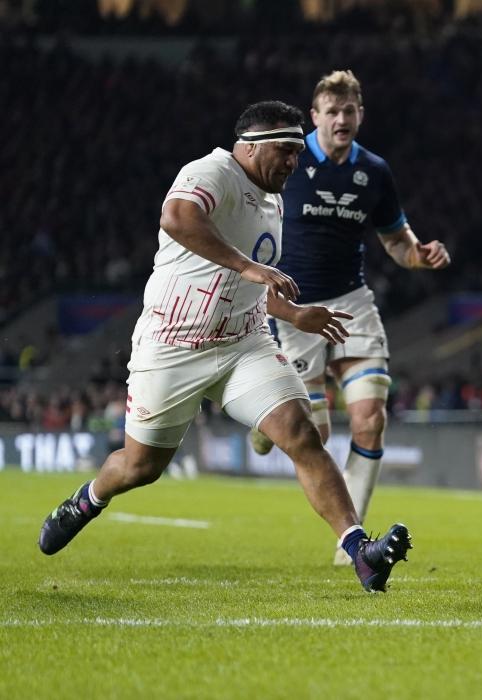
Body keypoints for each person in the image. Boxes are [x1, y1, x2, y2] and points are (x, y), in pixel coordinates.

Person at [37, 101, 411, 593]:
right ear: (251, 147)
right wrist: (249, 267)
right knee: (140, 467)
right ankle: (87, 500)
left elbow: (252, 286)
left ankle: (360, 551)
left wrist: (295, 314)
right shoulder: (212, 171)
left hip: (242, 344)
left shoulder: (273, 201)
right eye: (285, 151)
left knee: (302, 433)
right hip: (174, 345)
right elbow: (177, 218)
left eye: (298, 153)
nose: (294, 162)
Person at [249, 71, 450, 565]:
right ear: (315, 116)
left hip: (352, 302)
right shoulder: (289, 161)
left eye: (349, 111)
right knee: (314, 435)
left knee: (370, 419)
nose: (341, 119)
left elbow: (396, 240)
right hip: (294, 306)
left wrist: (420, 254)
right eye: (332, 111)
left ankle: (352, 545)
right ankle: (262, 417)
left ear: (360, 115)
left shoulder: (374, 171)